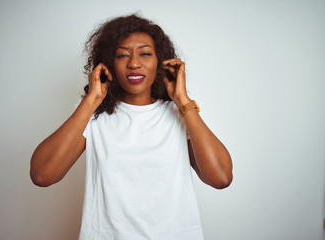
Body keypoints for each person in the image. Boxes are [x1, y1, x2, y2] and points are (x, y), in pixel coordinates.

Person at [30, 14, 232, 240]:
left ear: (160, 61)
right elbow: (42, 174)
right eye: (122, 55)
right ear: (108, 64)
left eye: (145, 53)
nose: (134, 63)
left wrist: (183, 100)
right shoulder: (93, 116)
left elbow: (221, 178)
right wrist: (91, 100)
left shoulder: (180, 114)